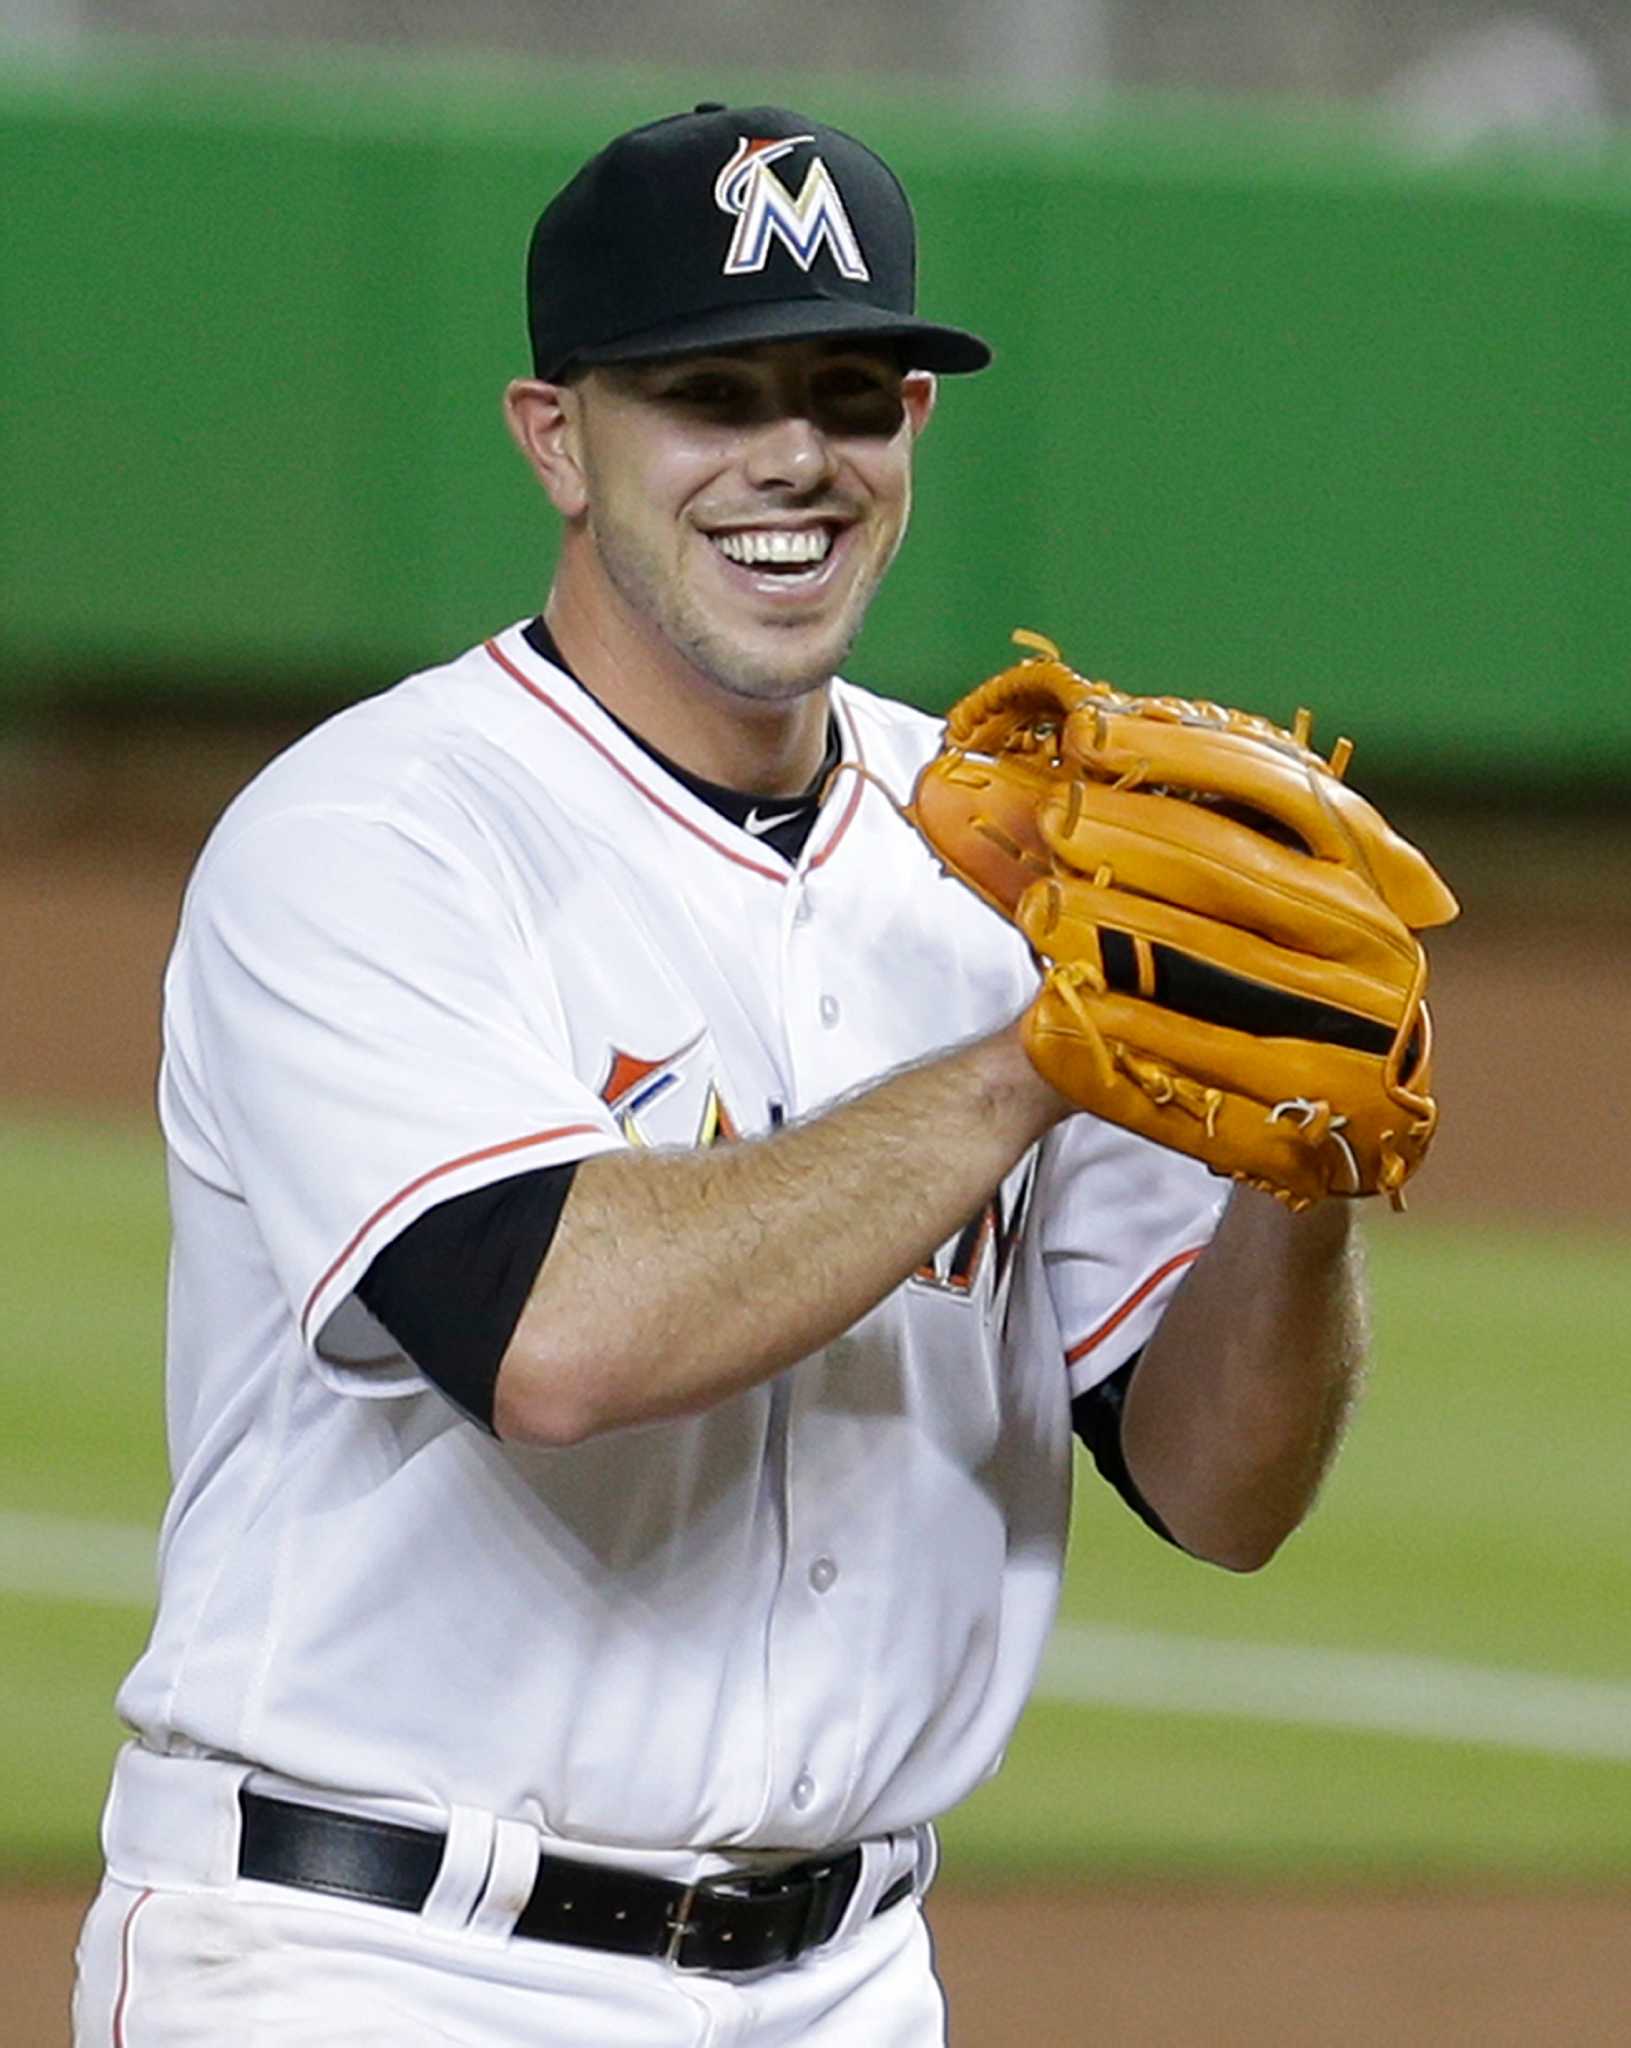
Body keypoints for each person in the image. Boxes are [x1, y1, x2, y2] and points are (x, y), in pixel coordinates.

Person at [73, 103, 1366, 2046]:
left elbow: (1222, 1484)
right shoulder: (370, 836)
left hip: (848, 1983)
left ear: (915, 435)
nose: (794, 458)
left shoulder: (1020, 862)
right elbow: (555, 1332)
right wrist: (1036, 1062)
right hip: (369, 1962)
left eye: (852, 391)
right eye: (710, 390)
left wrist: (1307, 1167)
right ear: (555, 437)